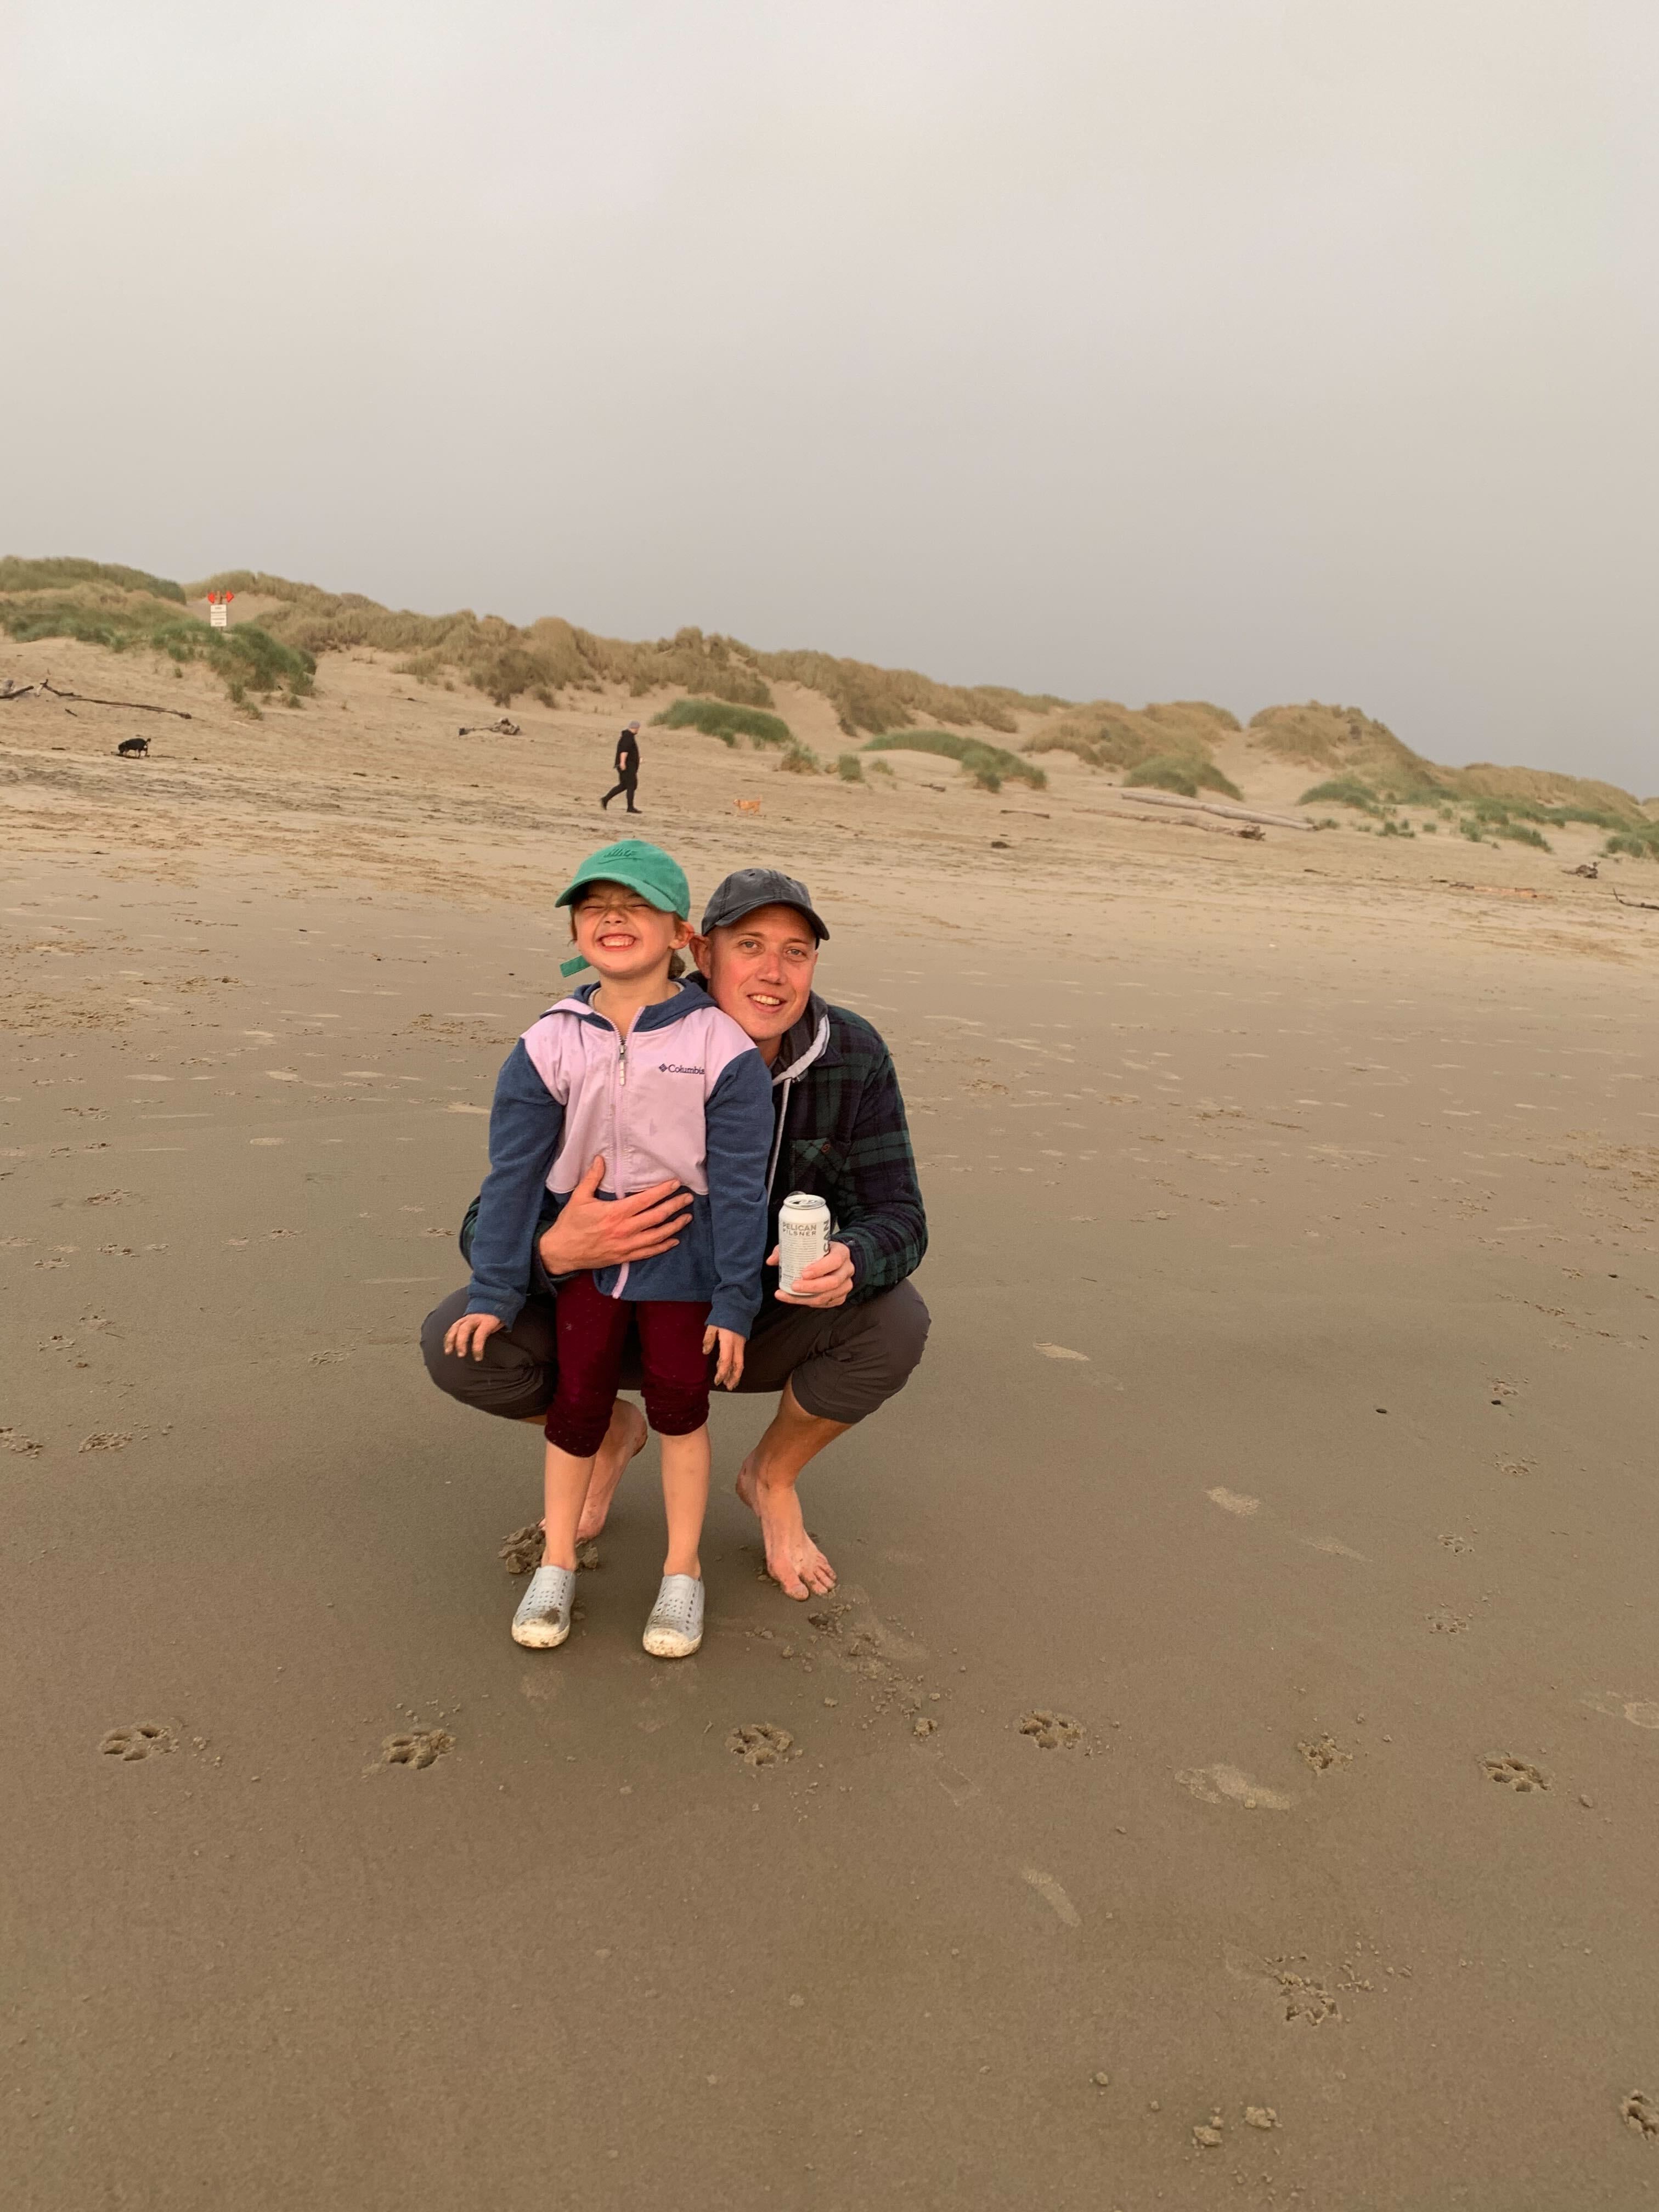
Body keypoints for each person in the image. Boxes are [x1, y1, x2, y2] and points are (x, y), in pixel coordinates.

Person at [422, 867, 929, 1600]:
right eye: (749, 944)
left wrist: (855, 1256)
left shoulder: (850, 1053)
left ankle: (771, 1478)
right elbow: (488, 1213)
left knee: (896, 1322)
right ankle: (605, 1431)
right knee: (463, 1342)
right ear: (701, 950)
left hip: (751, 1320)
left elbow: (903, 1217)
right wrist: (555, 1250)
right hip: (603, 1301)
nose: (773, 972)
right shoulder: (612, 1038)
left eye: (796, 952)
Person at [442, 839, 773, 1658]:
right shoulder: (549, 1041)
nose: (612, 919)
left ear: (678, 932)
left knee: (679, 1407)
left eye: (635, 906)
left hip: (684, 1262)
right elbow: (513, 1176)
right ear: (574, 930)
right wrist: (493, 1290)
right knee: (577, 1404)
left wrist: (736, 1299)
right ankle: (557, 1561)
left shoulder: (718, 1044)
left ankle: (682, 1573)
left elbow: (739, 1188)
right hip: (584, 1258)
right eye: (594, 907)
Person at [601, 718, 642, 813]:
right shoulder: (628, 737)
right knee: (631, 785)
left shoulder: (628, 736)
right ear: (636, 728)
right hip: (627, 766)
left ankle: (605, 799)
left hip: (628, 765)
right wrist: (623, 763)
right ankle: (630, 807)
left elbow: (629, 752)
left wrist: (637, 759)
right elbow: (624, 751)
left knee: (624, 785)